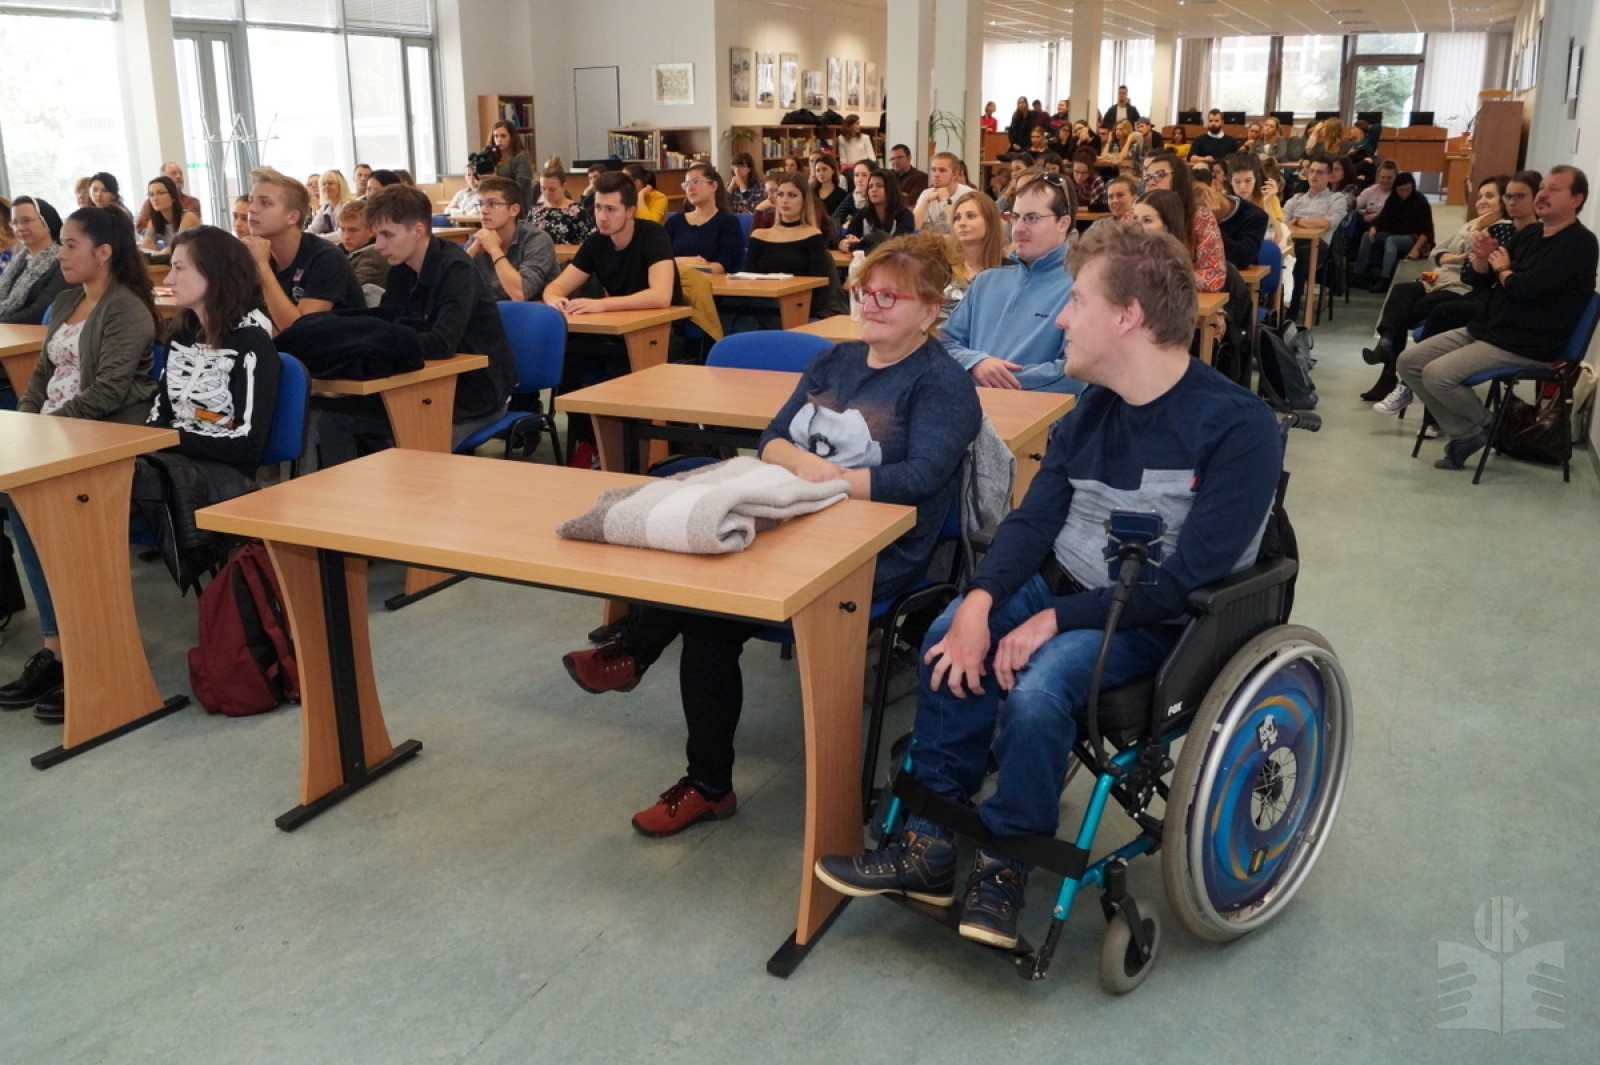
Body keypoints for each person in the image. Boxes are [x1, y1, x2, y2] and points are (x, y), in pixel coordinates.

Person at [814, 221, 1282, 950]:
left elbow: (1185, 580)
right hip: (1062, 585)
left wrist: (1052, 622)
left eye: (1076, 301)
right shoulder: (1092, 405)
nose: (1060, 318)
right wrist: (980, 601)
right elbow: (1032, 521)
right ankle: (929, 843)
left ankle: (1007, 859)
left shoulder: (1238, 426)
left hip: (1155, 621)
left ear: (1127, 316)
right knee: (945, 638)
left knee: (1040, 691)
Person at [560, 232, 981, 838]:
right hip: (794, 516)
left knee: (710, 610)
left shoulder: (942, 384)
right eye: (865, 291)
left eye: (890, 296)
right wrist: (806, 469)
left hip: (876, 548)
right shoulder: (835, 359)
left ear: (929, 312)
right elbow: (773, 438)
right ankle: (701, 773)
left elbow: (919, 478)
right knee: (706, 586)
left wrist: (829, 479)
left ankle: (639, 658)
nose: (871, 304)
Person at [0, 207, 162, 720]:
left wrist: (45, 431)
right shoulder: (69, 301)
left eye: (71, 245)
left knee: (32, 499)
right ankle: (58, 649)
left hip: (103, 440)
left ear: (104, 252)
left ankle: (82, 651)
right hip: (56, 435)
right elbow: (40, 377)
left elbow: (109, 391)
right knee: (20, 499)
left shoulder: (127, 308)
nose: (61, 254)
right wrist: (28, 423)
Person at [1397, 166, 1597, 472]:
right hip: (1488, 328)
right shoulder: (1530, 233)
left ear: (1576, 200)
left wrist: (1503, 269)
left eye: (1554, 189)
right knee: (1409, 362)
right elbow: (1481, 282)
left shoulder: (1579, 243)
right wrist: (1482, 258)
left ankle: (1488, 429)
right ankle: (1473, 431)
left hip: (1527, 342)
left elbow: (1523, 288)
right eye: (1542, 187)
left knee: (1437, 375)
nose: (1543, 194)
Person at [311, 185, 514, 467]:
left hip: (472, 393)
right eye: (377, 235)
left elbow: (441, 344)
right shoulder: (400, 270)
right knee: (333, 416)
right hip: (416, 386)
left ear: (418, 230)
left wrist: (383, 343)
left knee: (405, 450)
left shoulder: (457, 270)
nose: (378, 246)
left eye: (387, 235)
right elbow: (388, 326)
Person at [142, 225, 283, 578]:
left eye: (179, 268)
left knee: (107, 493)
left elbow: (249, 444)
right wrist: (154, 441)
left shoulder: (252, 342)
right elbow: (161, 413)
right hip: (176, 460)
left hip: (224, 472)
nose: (168, 280)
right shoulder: (181, 335)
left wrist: (168, 440)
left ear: (213, 272)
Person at [542, 170, 682, 467]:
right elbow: (555, 287)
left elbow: (661, 296)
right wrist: (555, 300)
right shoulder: (597, 242)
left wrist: (602, 305)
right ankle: (592, 442)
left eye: (610, 209)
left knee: (619, 369)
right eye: (597, 208)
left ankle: (633, 452)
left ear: (630, 211)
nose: (602, 217)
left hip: (662, 333)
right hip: (617, 333)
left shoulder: (653, 236)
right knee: (567, 359)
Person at [1361, 175, 1514, 404]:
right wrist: (1457, 257)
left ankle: (1394, 375)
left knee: (1403, 314)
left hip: (1460, 287)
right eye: (1480, 196)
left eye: (1490, 196)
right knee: (1402, 291)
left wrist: (1455, 255)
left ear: (1504, 201)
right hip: (1438, 280)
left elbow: (1474, 259)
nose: (1482, 201)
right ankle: (1386, 348)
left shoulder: (1502, 230)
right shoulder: (1472, 224)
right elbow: (1436, 252)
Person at [940, 173, 1079, 393]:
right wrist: (975, 363)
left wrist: (996, 378)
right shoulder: (986, 282)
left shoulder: (1081, 288)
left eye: (1032, 218)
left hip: (1038, 412)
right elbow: (944, 342)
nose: (1019, 228)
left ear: (1063, 223)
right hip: (972, 406)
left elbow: (1078, 371)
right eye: (1016, 217)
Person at [242, 168, 365, 333]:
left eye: (265, 203)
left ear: (292, 217)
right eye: (252, 201)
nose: (251, 209)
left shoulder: (326, 258)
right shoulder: (260, 255)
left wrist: (262, 267)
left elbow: (301, 331)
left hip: (339, 347)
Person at [730, 174, 846, 329]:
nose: (784, 200)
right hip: (762, 303)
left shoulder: (812, 235)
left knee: (746, 322)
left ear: (804, 200)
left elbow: (817, 285)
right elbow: (748, 278)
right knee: (731, 309)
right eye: (780, 194)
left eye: (792, 195)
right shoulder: (759, 236)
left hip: (798, 304)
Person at [465, 174, 559, 300]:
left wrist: (495, 250)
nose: (483, 210)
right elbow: (452, 289)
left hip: (531, 310)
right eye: (481, 204)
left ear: (514, 210)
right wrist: (470, 254)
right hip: (491, 310)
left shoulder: (538, 240)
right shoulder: (477, 240)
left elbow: (519, 294)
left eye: (492, 204)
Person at [1143, 154, 1226, 292]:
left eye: (1159, 175)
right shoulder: (1135, 215)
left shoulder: (1201, 217)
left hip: (1186, 296)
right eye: (1148, 177)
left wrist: (1164, 280)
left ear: (1179, 179)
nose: (1151, 182)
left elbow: (1213, 275)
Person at [1281, 158, 1349, 322]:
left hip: (1318, 246)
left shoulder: (1336, 199)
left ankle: (1291, 312)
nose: (1313, 176)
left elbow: (1327, 224)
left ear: (1329, 176)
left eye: (1319, 172)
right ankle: (1271, 307)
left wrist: (1298, 220)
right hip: (1290, 242)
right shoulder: (1296, 198)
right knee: (1273, 254)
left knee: (1295, 259)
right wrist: (1314, 221)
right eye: (1311, 171)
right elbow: (1281, 223)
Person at [1353, 171, 1434, 292]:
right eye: (1401, 190)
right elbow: (1382, 218)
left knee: (1392, 240)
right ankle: (1358, 273)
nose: (1405, 193)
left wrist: (1416, 248)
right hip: (1396, 233)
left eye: (1408, 189)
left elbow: (1427, 230)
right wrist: (1374, 228)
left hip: (1415, 238)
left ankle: (1385, 277)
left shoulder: (1420, 201)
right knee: (1367, 236)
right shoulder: (1393, 200)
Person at [665, 163, 744, 275]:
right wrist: (692, 261)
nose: (690, 188)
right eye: (687, 184)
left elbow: (723, 266)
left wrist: (679, 264)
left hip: (713, 283)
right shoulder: (674, 222)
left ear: (713, 186)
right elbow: (662, 261)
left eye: (696, 181)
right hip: (674, 282)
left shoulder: (728, 223)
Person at [0, 197, 67, 325]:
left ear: (46, 222)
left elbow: (38, 312)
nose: (20, 227)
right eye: (15, 223)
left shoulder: (62, 262)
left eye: (26, 220)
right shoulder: (18, 262)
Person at [945, 190, 1005, 315]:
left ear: (989, 221)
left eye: (971, 216)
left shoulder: (1010, 270)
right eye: (957, 218)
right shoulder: (942, 266)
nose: (962, 223)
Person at [840, 167, 914, 256]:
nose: (873, 190)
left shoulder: (905, 215)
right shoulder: (863, 214)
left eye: (879, 186)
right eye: (870, 186)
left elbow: (899, 244)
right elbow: (849, 237)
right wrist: (845, 243)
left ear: (891, 189)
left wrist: (861, 244)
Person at [527, 167, 594, 247]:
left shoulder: (578, 212)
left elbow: (589, 244)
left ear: (563, 186)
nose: (547, 193)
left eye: (552, 189)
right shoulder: (534, 210)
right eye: (543, 188)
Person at [912, 152, 976, 235]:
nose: (936, 174)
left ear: (955, 175)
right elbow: (913, 228)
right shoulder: (926, 194)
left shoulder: (969, 194)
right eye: (933, 170)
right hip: (936, 242)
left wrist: (946, 201)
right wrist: (926, 202)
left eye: (942, 170)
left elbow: (961, 227)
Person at [134, 161, 203, 231]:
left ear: (173, 198)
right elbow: (140, 227)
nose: (178, 176)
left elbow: (186, 226)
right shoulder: (150, 203)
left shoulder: (191, 202)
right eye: (173, 173)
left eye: (180, 173)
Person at [138, 175, 200, 253]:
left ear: (173, 196)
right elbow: (145, 246)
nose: (155, 198)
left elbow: (178, 250)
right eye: (151, 195)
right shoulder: (153, 222)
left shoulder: (188, 217)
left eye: (160, 193)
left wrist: (157, 252)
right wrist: (158, 252)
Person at [336, 199, 389, 288]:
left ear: (372, 230)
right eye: (342, 230)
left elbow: (349, 290)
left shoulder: (375, 256)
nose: (346, 236)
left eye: (353, 230)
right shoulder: (338, 251)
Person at [486, 120, 534, 208]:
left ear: (512, 137)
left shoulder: (521, 158)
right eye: (496, 136)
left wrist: (496, 179)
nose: (499, 139)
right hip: (494, 204)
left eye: (503, 136)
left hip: (516, 206)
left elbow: (521, 187)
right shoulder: (490, 158)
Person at [304, 171, 354, 235]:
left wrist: (317, 238)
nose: (326, 186)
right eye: (324, 184)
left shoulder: (349, 207)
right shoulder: (326, 208)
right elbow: (312, 229)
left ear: (341, 186)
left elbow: (342, 234)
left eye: (330, 183)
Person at [1355, 160, 1397, 225]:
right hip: (1367, 224)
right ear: (1378, 177)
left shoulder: (1398, 194)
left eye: (1389, 178)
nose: (1385, 180)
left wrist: (1377, 217)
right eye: (1383, 177)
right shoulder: (1370, 191)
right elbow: (1355, 205)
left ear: (1395, 178)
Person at [810, 153, 847, 219]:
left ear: (833, 170)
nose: (821, 173)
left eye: (824, 169)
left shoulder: (842, 195)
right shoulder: (811, 193)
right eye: (818, 170)